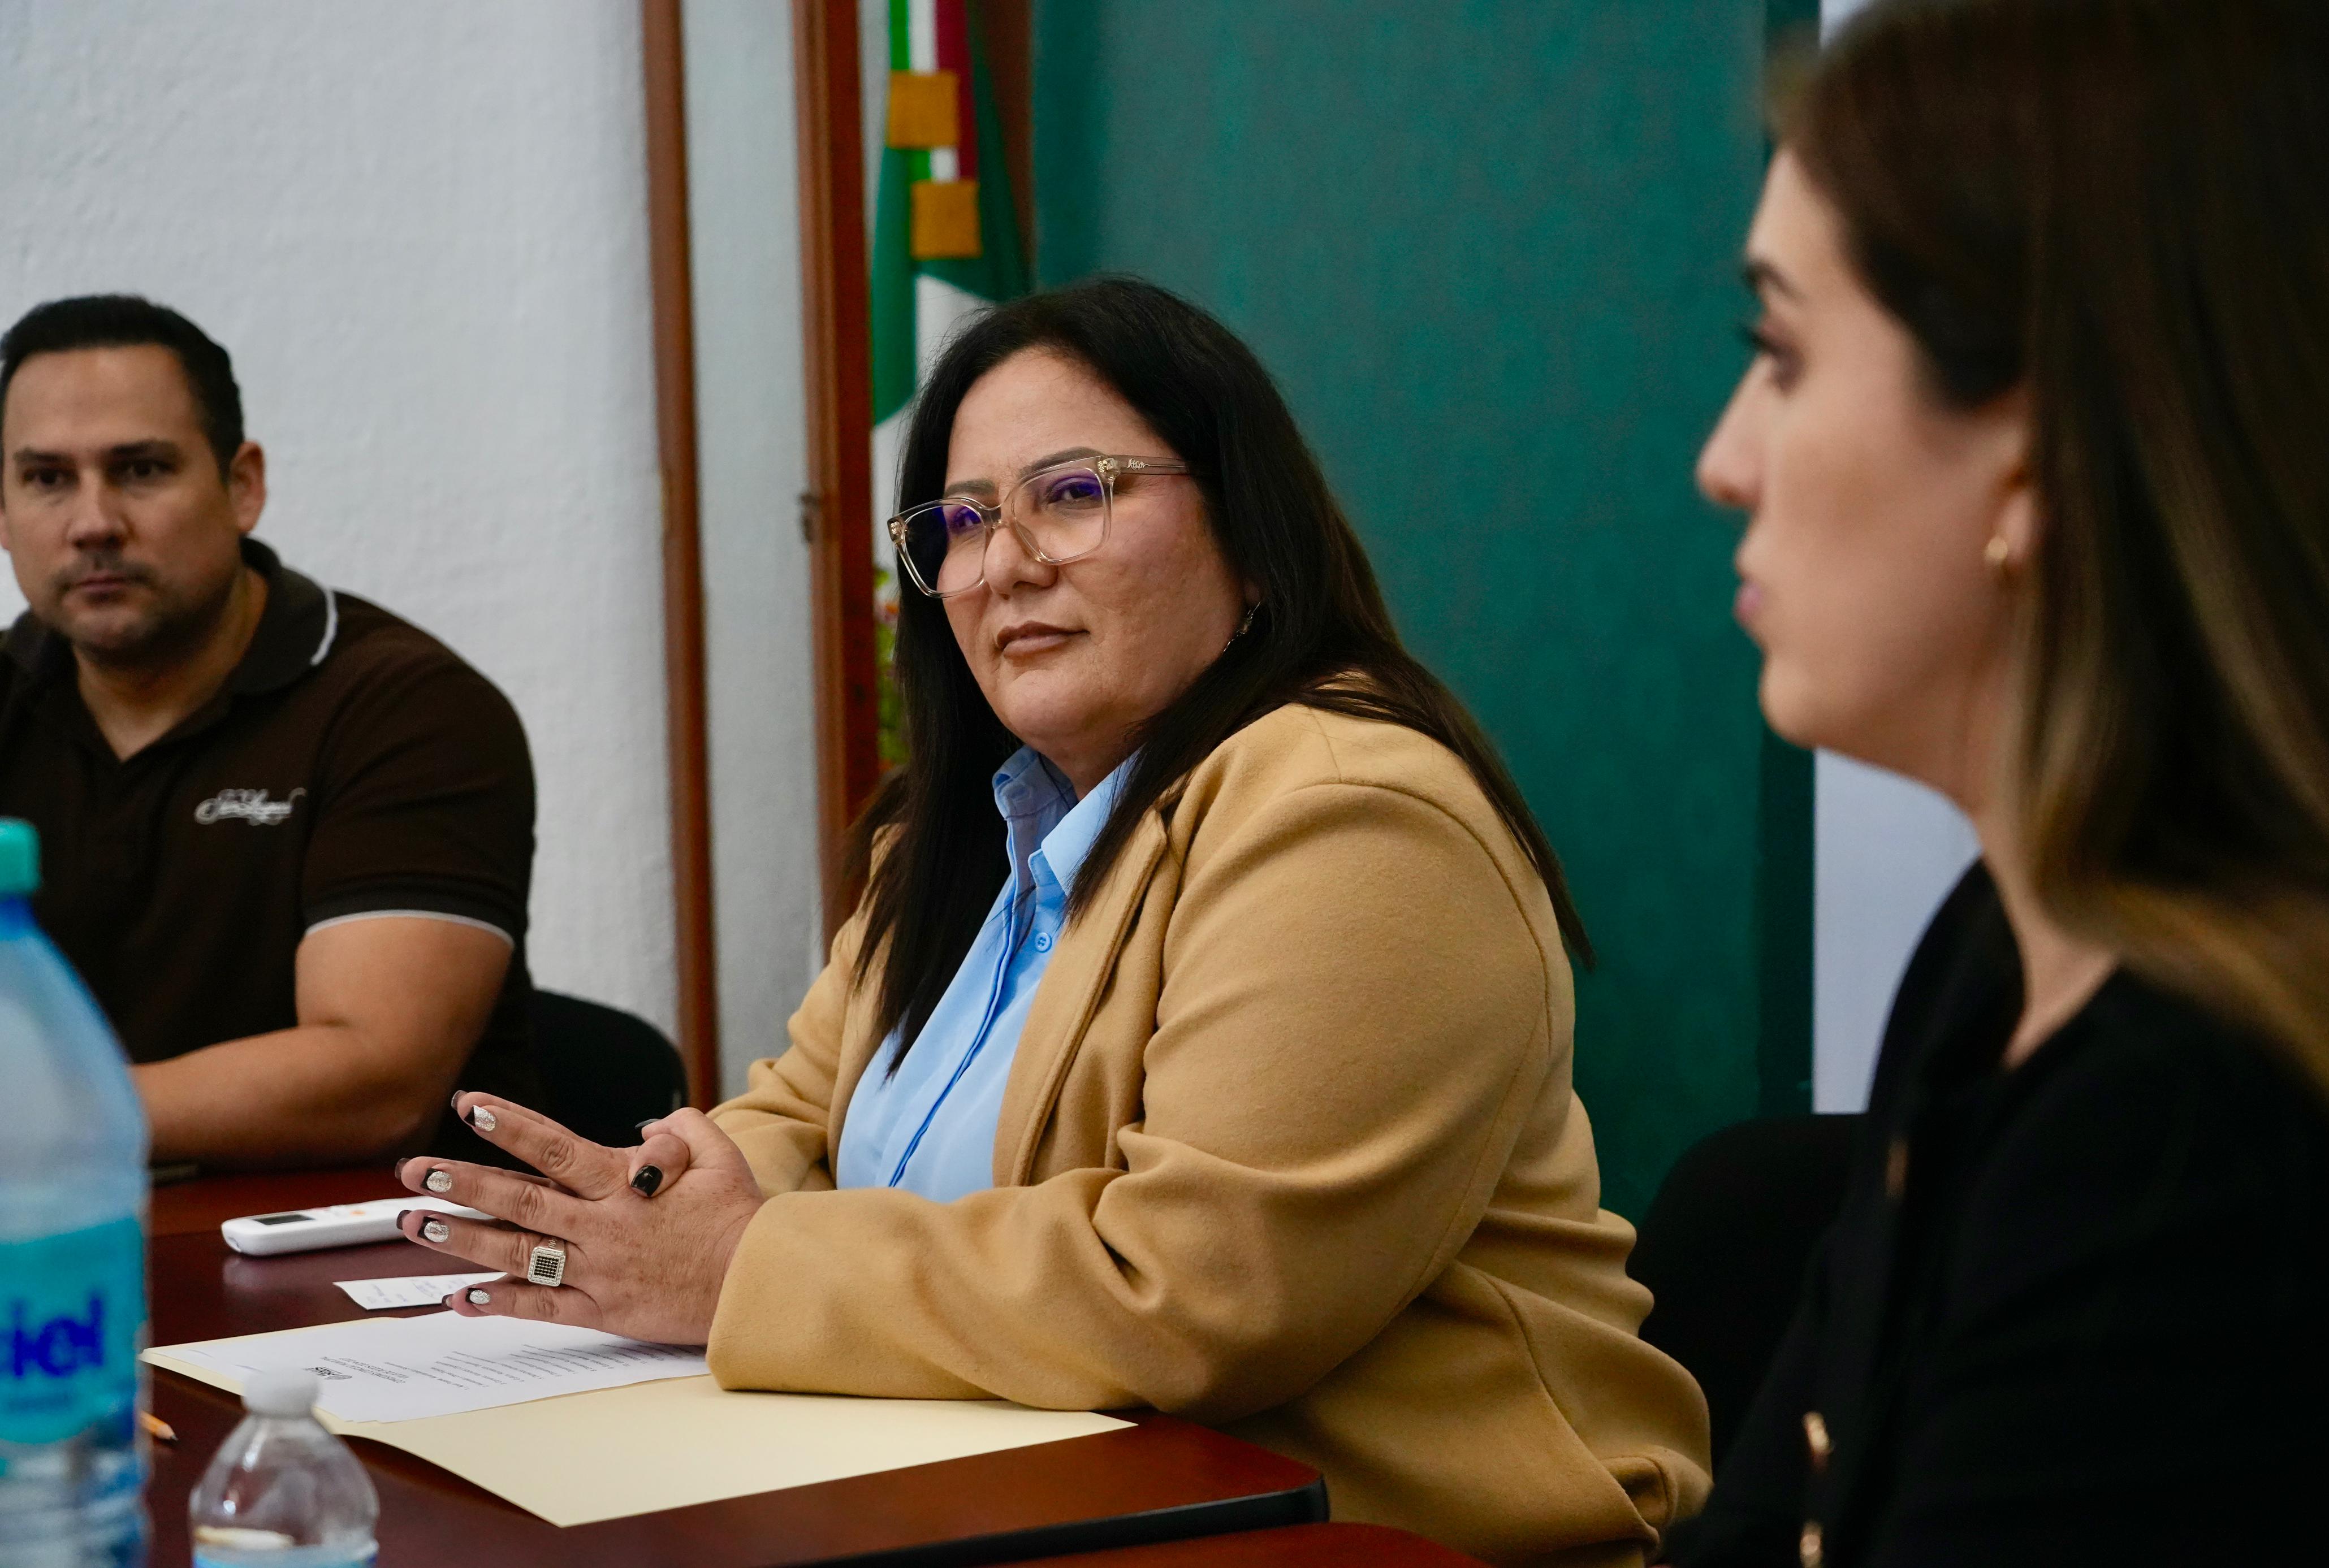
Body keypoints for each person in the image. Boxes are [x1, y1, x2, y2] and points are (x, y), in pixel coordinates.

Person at [390, 278, 1711, 1566]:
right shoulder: (954, 832)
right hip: (993, 1495)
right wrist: (642, 1216)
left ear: (1251, 535)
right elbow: (795, 1123)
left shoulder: (1349, 815)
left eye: (1073, 494)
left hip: (1357, 1536)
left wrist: (738, 1265)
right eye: (961, 521)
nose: (1005, 564)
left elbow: (1193, 1290)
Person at [1678, 1, 2329, 1562]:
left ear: (2041, 445)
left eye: (1782, 356)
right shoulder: (1994, 947)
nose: (1724, 460)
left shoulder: (2200, 1132)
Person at [0, 294, 539, 1168]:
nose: (93, 522)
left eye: (140, 469)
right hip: (57, 1216)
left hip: (377, 1238)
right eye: (46, 479)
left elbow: (377, 1084)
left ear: (242, 485)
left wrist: (40, 1115)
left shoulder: (408, 707)